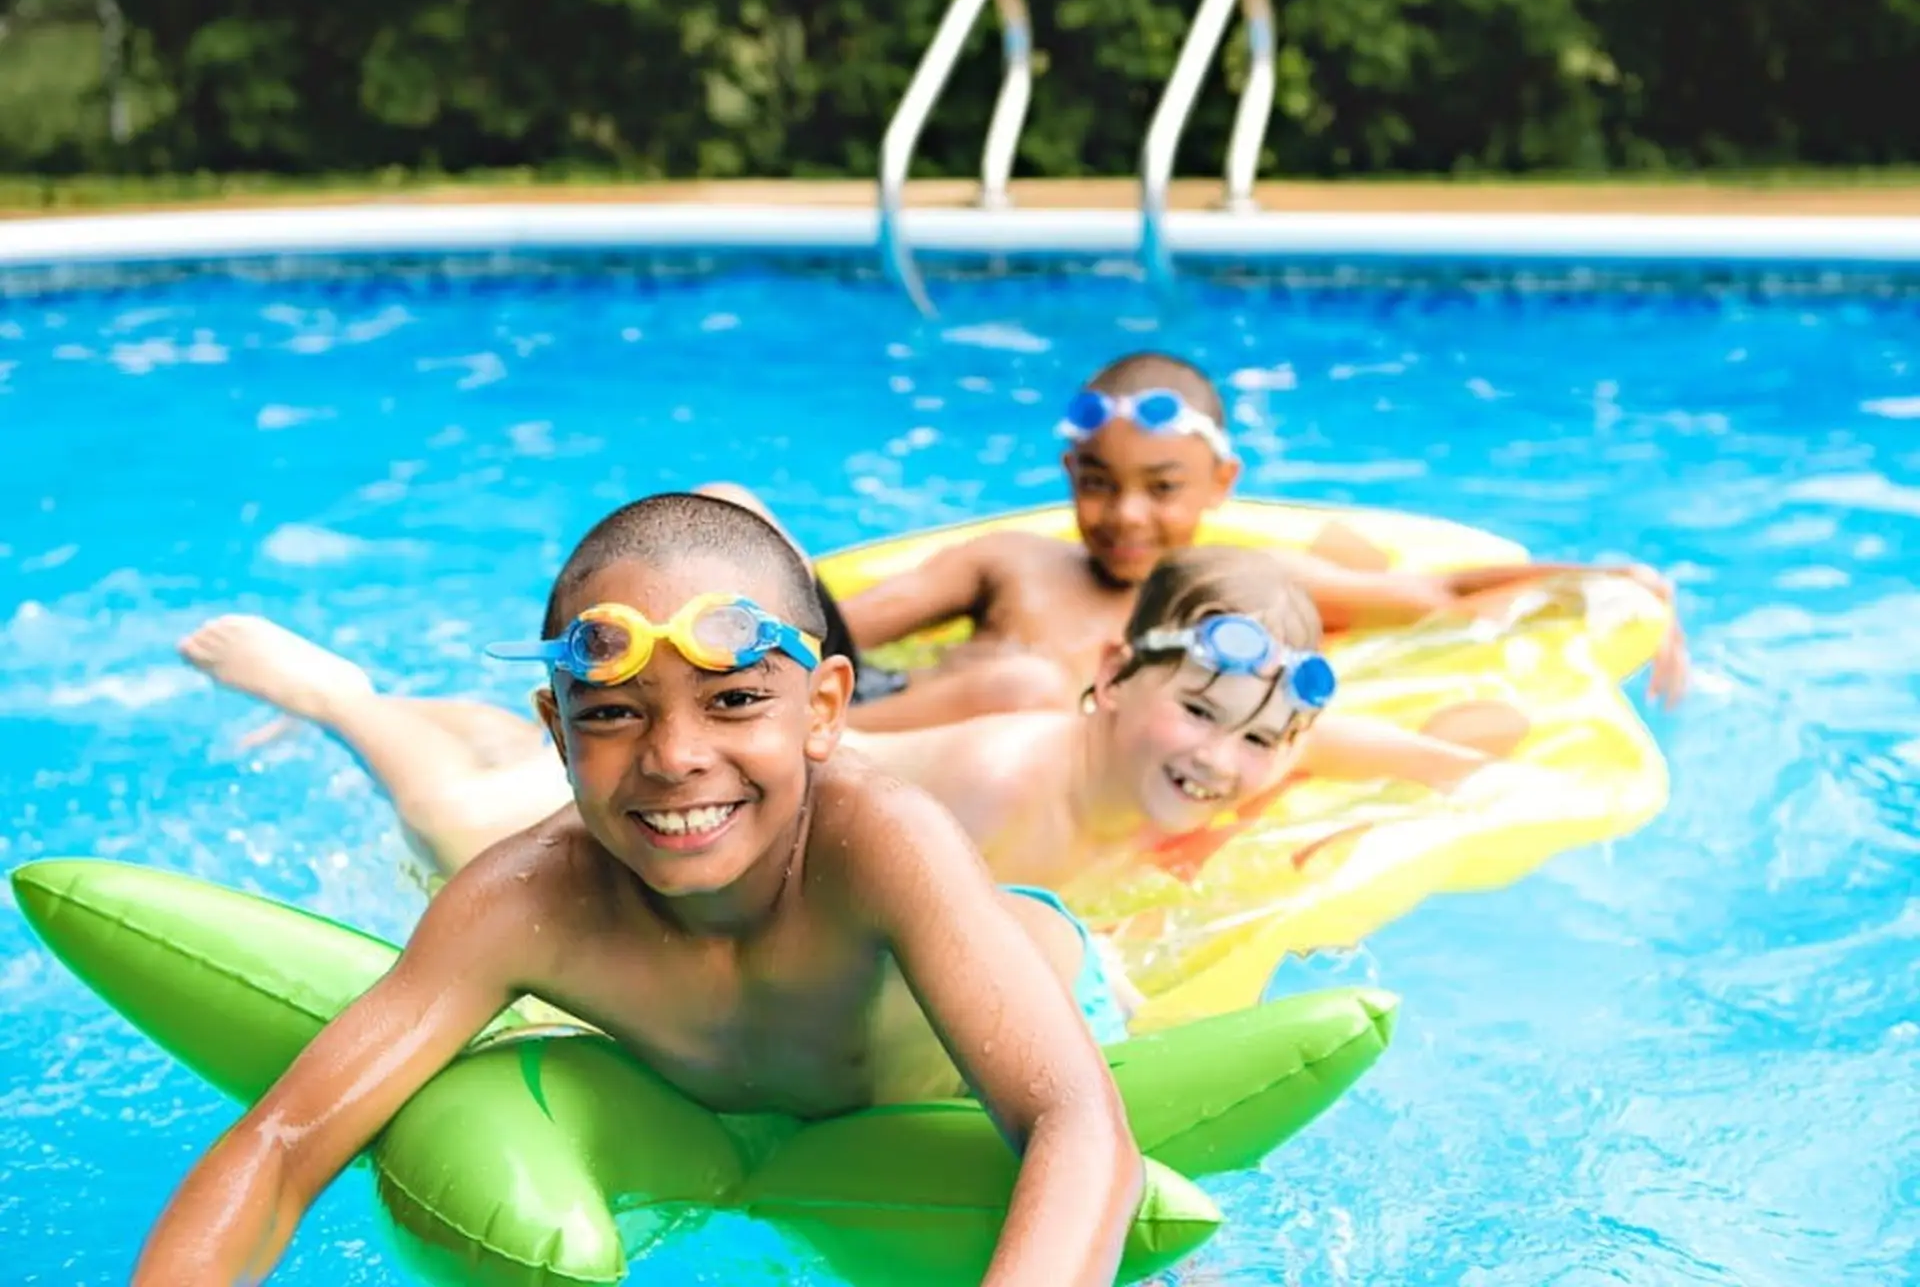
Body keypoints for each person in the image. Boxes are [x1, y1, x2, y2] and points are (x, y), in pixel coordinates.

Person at [140, 493, 1142, 1286]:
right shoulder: (526, 899)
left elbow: (1074, 1123)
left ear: (827, 708)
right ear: (555, 726)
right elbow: (280, 1145)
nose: (675, 758)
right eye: (614, 714)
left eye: (737, 701)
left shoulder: (884, 844)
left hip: (1048, 1009)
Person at [179, 547, 1527, 905]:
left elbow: (1376, 751)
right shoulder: (1010, 782)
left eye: (1259, 741)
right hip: (762, 813)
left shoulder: (1227, 763)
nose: (1221, 762)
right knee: (465, 838)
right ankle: (339, 695)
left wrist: (1471, 755)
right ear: (1111, 680)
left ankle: (468, 717)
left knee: (519, 767)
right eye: (1200, 715)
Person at [830, 350, 1691, 732]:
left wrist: (1614, 579)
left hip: (1008, 765)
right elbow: (836, 632)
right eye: (1098, 482)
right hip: (881, 718)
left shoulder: (1239, 585)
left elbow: (1435, 595)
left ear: (1221, 484)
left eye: (1161, 488)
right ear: (1069, 473)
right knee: (1019, 683)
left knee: (1030, 693)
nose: (1126, 514)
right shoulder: (1011, 562)